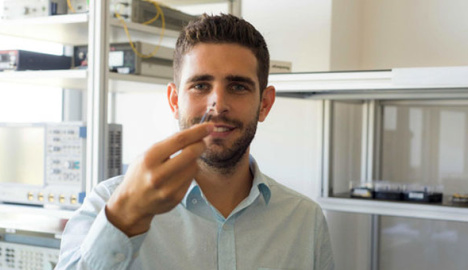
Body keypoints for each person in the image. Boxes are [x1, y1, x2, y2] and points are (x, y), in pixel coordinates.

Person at [56, 13, 334, 270]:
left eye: (238, 87)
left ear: (264, 104)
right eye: (200, 85)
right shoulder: (107, 203)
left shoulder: (305, 220)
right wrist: (126, 219)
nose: (217, 105)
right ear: (174, 100)